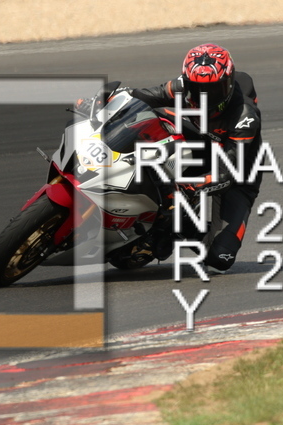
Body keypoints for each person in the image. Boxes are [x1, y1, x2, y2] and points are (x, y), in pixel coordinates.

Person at [76, 43, 263, 274]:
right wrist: (102, 102)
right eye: (197, 89)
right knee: (148, 118)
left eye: (214, 90)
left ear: (229, 83)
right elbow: (140, 96)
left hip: (237, 175)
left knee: (220, 257)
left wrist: (193, 185)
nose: (205, 97)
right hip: (198, 144)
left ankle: (174, 228)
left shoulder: (245, 116)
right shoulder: (181, 86)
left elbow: (228, 172)